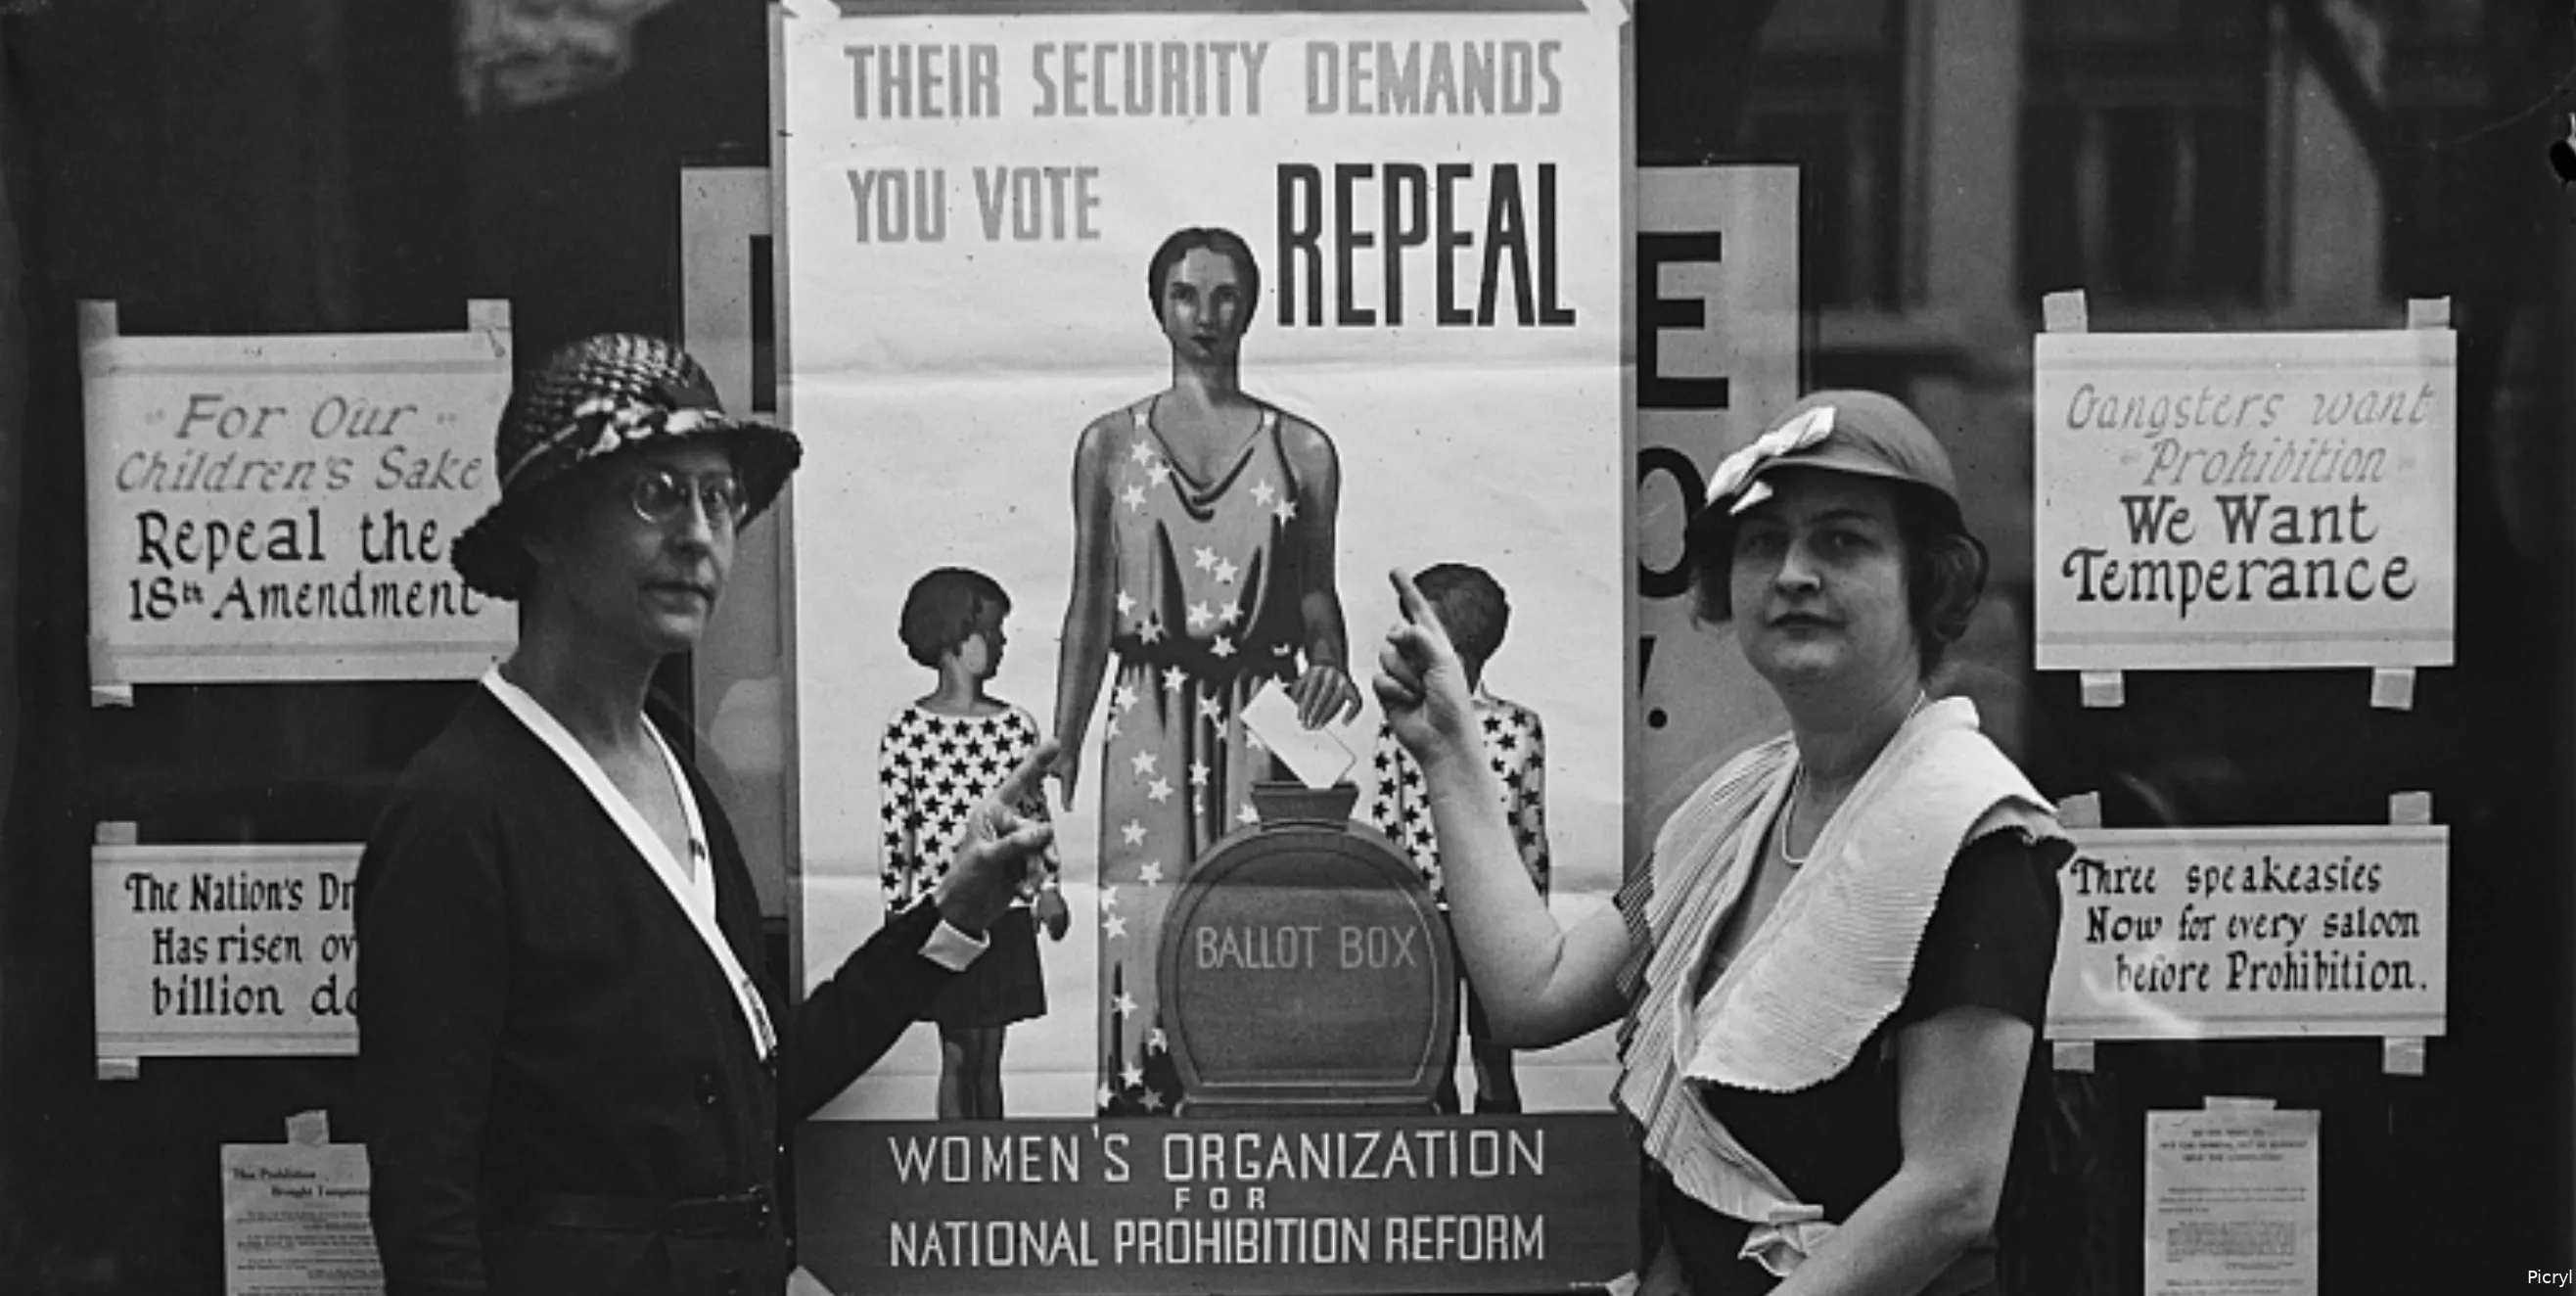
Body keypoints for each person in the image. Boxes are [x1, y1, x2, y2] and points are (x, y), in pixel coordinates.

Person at [356, 335, 1054, 1296]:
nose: (698, 535)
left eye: (718, 498)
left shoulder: (677, 765)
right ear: (545, 529)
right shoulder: (460, 810)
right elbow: (426, 1216)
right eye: (654, 493)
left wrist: (956, 912)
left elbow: (762, 1088)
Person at [1375, 391, 2072, 1294]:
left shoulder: (1973, 829)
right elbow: (1533, 992)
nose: (1792, 573)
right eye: (1762, 542)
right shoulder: (1738, 805)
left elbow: (1950, 1196)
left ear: (1925, 582)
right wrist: (1451, 750)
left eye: (1843, 541)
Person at [1050, 225, 1362, 1115]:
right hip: (1145, 710)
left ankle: (1256, 1116)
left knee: (1253, 920)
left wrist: (1330, 665)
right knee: (1142, 927)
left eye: (1225, 295)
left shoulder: (1303, 448)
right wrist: (1063, 742)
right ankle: (1140, 1123)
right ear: (1158, 306)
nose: (1206, 315)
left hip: (1262, 712)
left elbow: (1315, 595)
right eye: (1186, 294)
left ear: (1252, 306)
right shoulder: (1107, 445)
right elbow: (1088, 602)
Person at [881, 567, 1069, 1120]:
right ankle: (953, 1164)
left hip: (1005, 911)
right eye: (991, 630)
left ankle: (990, 1173)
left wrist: (1048, 889)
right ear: (954, 637)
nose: (1003, 641)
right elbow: (899, 831)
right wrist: (900, 913)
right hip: (945, 911)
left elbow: (1033, 816)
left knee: (990, 1054)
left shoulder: (1014, 728)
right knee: (957, 1050)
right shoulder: (907, 730)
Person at [1365, 562, 1550, 1115]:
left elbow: (1531, 832)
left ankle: (1500, 1166)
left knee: (1495, 1056)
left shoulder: (1519, 727)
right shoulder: (1401, 726)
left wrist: (1532, 922)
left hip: (1497, 918)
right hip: (1423, 916)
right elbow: (1387, 825)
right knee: (1431, 1055)